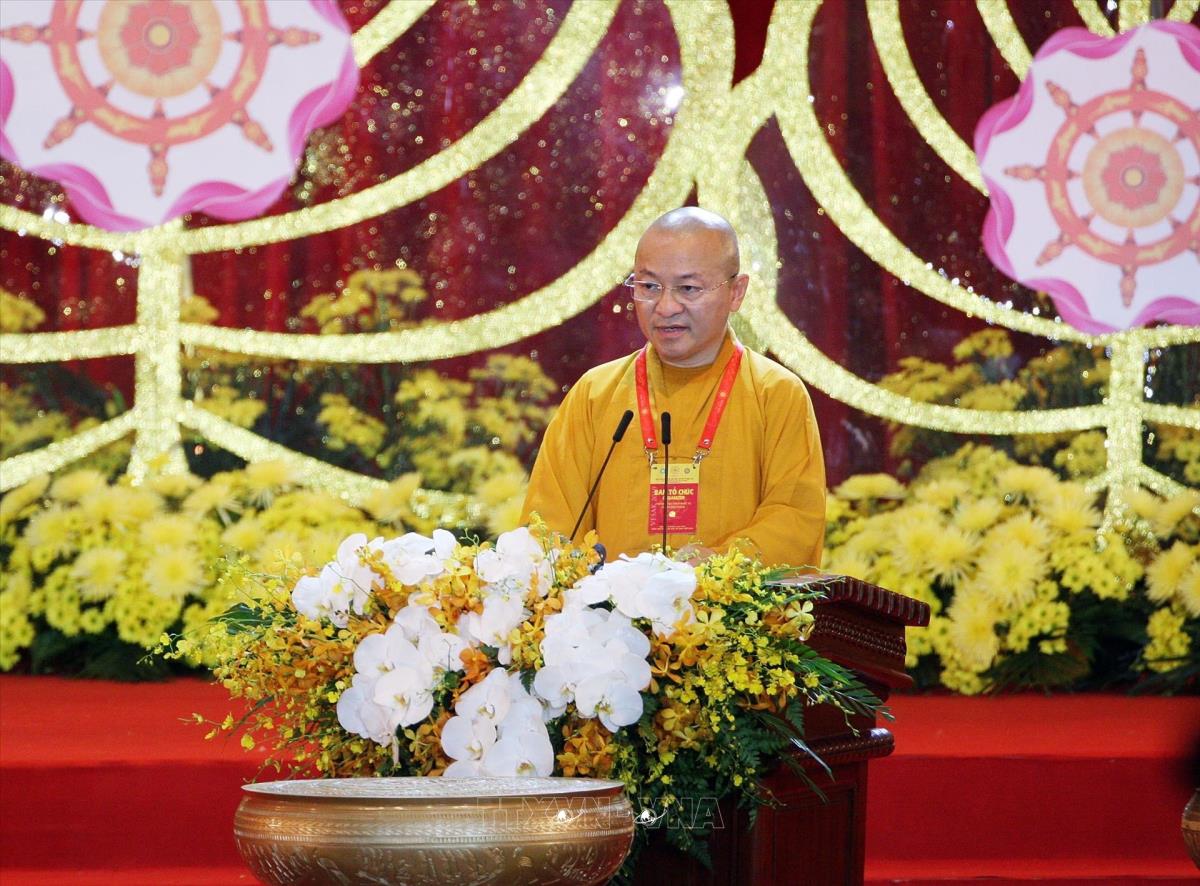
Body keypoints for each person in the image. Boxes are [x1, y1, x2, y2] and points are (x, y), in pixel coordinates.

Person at [520, 207, 826, 568]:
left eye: (688, 288)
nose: (665, 307)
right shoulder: (595, 395)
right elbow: (548, 529)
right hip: (611, 605)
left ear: (736, 292)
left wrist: (711, 570)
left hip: (726, 604)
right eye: (649, 287)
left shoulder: (775, 394)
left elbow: (794, 521)